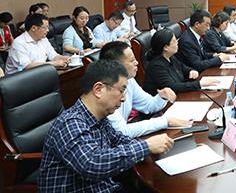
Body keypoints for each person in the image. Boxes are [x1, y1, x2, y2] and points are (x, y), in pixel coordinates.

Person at [39, 59, 174, 193]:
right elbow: (91, 164)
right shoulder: (70, 123)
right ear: (98, 90)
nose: (124, 98)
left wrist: (152, 146)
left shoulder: (100, 119)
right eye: (121, 90)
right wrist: (146, 147)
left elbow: (120, 140)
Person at [101, 41, 191, 137]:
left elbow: (148, 105)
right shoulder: (104, 91)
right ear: (117, 65)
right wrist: (165, 121)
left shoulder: (129, 80)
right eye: (132, 61)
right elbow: (122, 132)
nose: (137, 63)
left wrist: (162, 97)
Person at [5, 13, 70, 74]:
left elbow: (53, 55)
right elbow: (27, 66)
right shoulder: (19, 43)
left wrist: (63, 58)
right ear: (33, 28)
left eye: (47, 27)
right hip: (19, 78)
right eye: (44, 28)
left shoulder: (43, 39)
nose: (48, 30)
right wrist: (54, 63)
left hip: (38, 73)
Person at [144, 29, 204, 93]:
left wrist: (191, 71)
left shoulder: (171, 57)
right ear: (166, 47)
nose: (177, 43)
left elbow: (183, 68)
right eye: (174, 41)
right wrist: (199, 84)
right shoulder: (156, 66)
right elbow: (172, 87)